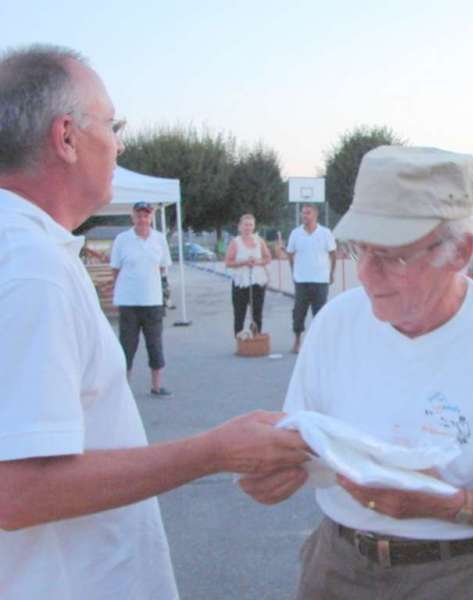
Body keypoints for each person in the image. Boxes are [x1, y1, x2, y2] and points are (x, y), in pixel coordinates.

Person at [0, 45, 309, 599]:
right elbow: (16, 491)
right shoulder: (29, 269)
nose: (121, 143)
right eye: (114, 125)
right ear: (66, 136)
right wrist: (212, 451)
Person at [240, 145, 473, 599]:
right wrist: (274, 468)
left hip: (460, 575)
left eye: (393, 256)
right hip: (337, 564)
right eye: (360, 248)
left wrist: (450, 505)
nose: (365, 274)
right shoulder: (335, 323)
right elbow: (305, 443)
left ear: (460, 251)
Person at [111, 201, 173, 395]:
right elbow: (115, 268)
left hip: (152, 301)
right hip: (129, 302)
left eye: (146, 215)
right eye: (139, 215)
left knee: (155, 344)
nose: (142, 219)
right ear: (133, 217)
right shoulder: (122, 239)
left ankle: (156, 386)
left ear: (151, 217)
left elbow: (163, 266)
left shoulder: (159, 239)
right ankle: (123, 389)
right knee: (127, 346)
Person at [286, 203, 336, 353]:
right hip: (301, 280)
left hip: (321, 280)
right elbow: (290, 253)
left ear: (315, 215)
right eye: (303, 213)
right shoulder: (295, 233)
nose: (304, 216)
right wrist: (293, 271)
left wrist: (331, 273)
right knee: (298, 312)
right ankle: (297, 341)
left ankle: (319, 342)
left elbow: (333, 254)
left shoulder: (326, 233)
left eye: (307, 213)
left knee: (320, 313)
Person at [225, 213, 272, 336]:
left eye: (250, 225)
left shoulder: (259, 241)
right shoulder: (235, 242)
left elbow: (267, 258)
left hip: (257, 281)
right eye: (245, 225)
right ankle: (240, 341)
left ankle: (256, 338)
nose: (248, 228)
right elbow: (228, 262)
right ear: (240, 227)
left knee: (257, 313)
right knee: (239, 313)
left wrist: (257, 262)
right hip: (241, 282)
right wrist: (244, 262)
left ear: (254, 226)